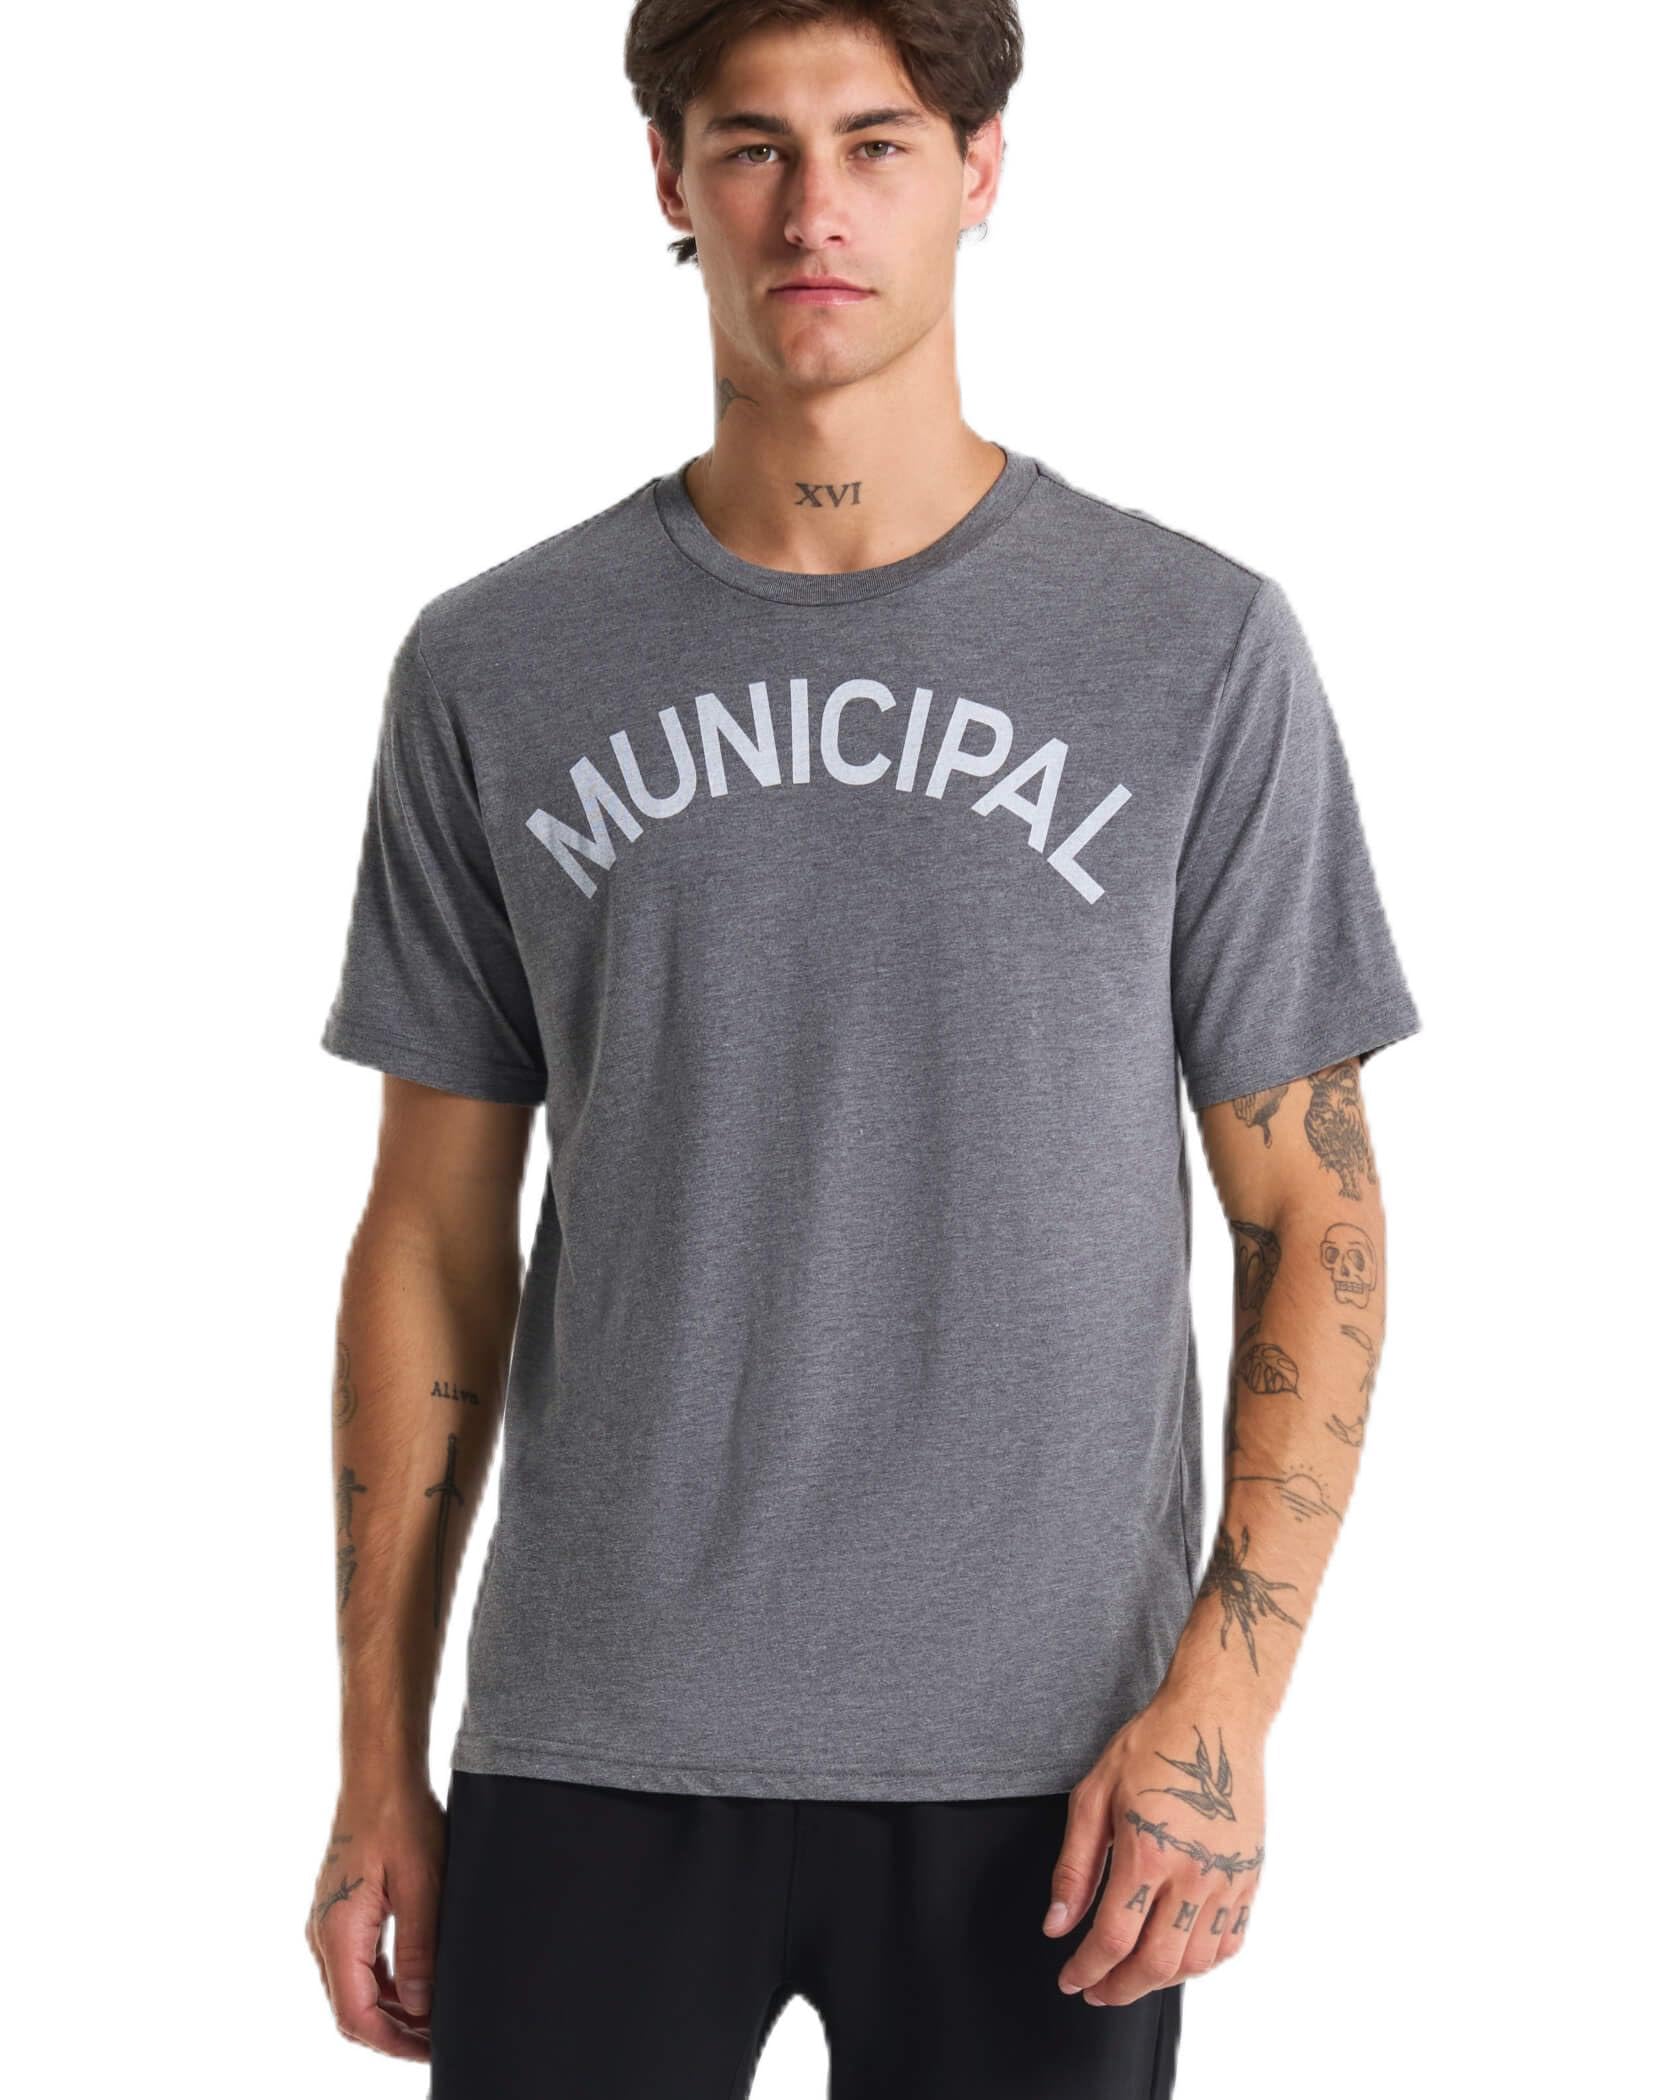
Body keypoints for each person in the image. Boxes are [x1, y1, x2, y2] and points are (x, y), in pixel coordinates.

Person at [303, 3, 1420, 2094]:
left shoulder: (1193, 649)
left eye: (878, 143)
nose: (813, 209)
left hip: (1057, 1768)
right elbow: (431, 1237)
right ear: (668, 178)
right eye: (753, 147)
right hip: (597, 1733)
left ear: (981, 168)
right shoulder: (493, 663)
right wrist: (378, 1759)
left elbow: (1314, 1218)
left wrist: (1228, 1700)